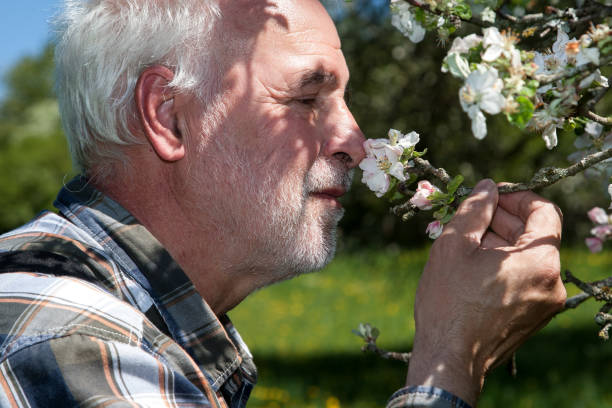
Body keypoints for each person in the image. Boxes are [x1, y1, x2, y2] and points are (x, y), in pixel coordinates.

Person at [0, 0, 566, 407]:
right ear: (169, 115)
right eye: (305, 97)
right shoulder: (76, 342)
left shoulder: (138, 322)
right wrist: (449, 359)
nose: (355, 141)